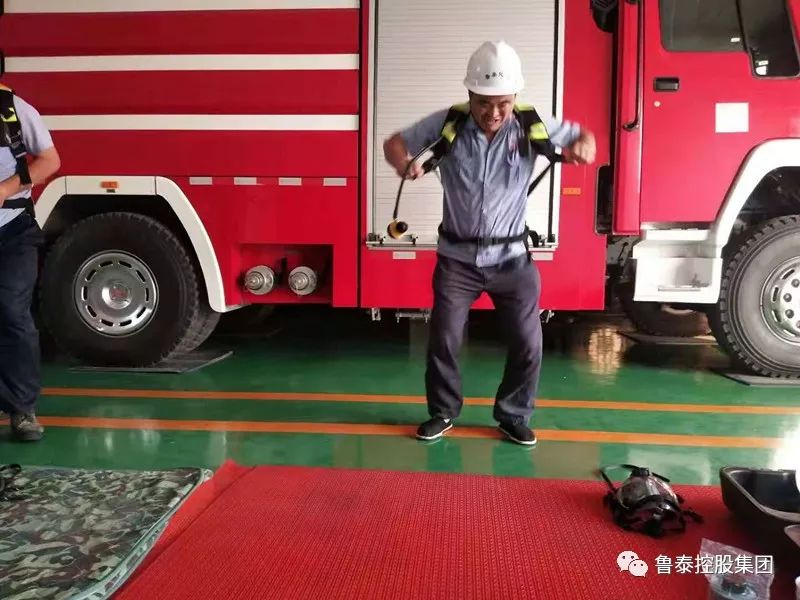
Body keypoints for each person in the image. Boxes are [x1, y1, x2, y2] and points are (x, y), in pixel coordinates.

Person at [383, 41, 595, 445]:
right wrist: (403, 164)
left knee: (528, 343)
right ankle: (443, 412)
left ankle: (513, 415)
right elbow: (394, 143)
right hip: (457, 261)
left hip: (513, 261)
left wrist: (584, 145)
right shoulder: (449, 123)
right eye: (483, 103)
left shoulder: (531, 122)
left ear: (515, 96)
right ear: (469, 95)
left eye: (503, 103)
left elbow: (585, 137)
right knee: (444, 339)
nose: (494, 113)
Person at [0, 83, 61, 442]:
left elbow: (50, 160)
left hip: (14, 230)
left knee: (11, 309)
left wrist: (6, 189)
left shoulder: (13, 108)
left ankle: (22, 409)